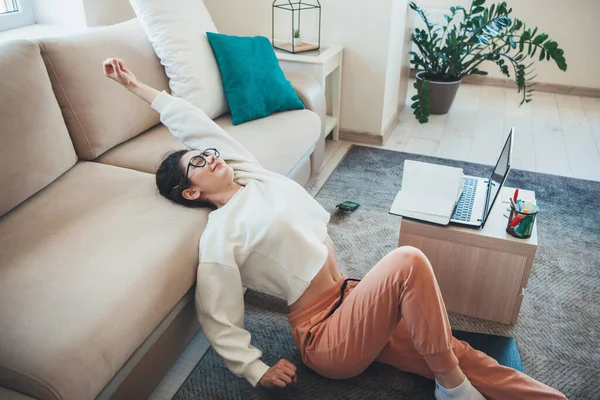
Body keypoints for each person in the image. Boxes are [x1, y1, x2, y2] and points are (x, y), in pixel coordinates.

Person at [103, 58, 566, 400]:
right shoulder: (221, 234)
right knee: (407, 262)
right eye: (198, 164)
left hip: (353, 301)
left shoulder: (252, 175)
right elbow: (215, 311)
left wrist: (139, 87)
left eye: (207, 152)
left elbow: (197, 126)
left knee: (451, 348)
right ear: (190, 193)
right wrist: (253, 368)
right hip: (325, 339)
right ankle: (452, 390)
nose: (210, 156)